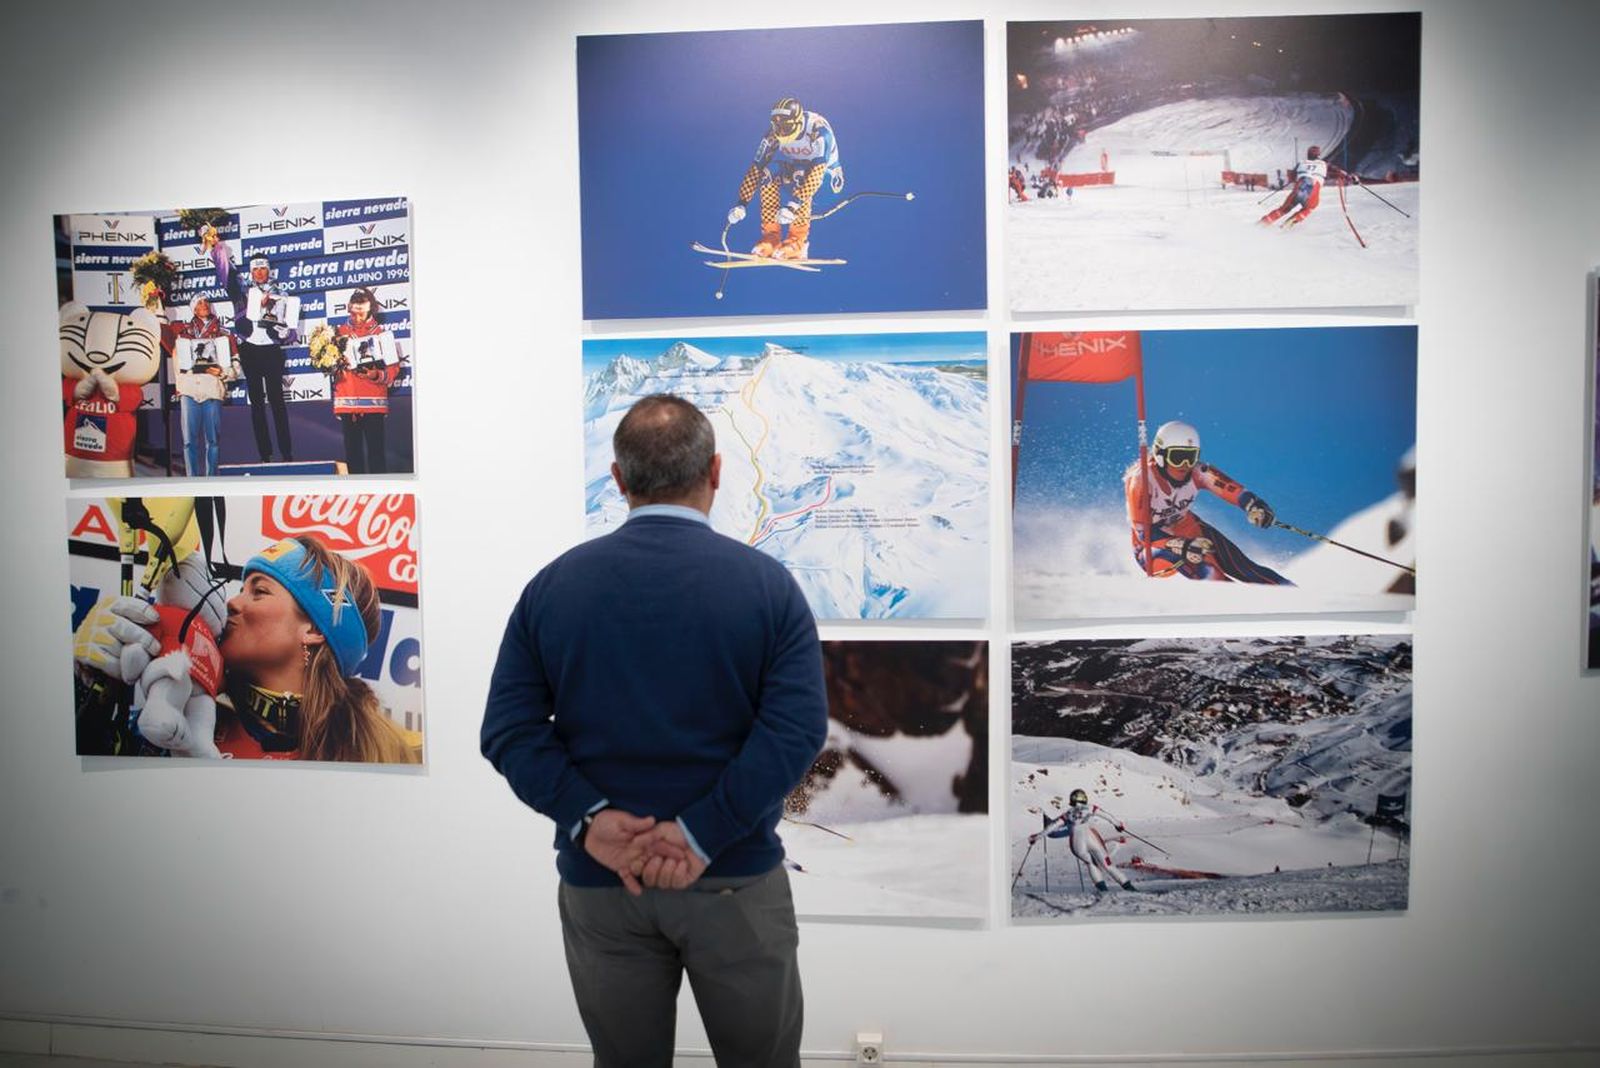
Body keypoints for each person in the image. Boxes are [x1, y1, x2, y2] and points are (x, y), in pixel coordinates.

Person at [482, 393, 828, 1067]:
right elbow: (795, 731)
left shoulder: (552, 588)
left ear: (619, 479)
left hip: (602, 879)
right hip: (733, 879)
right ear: (717, 472)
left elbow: (510, 731)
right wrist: (701, 833)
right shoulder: (767, 586)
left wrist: (592, 819)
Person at [73, 533, 419, 764]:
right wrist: (90, 688)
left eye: (259, 591)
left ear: (313, 628)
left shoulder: (382, 750)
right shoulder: (183, 703)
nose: (231, 604)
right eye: (241, 588)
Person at [1123, 420, 1291, 584]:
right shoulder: (1141, 481)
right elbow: (1145, 534)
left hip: (1186, 527)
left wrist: (1254, 506)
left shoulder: (1198, 472)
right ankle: (1229, 601)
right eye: (1178, 457)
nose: (1185, 465)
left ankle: (1291, 593)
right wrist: (1181, 545)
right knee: (1206, 571)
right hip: (1153, 548)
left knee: (1244, 568)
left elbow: (1233, 491)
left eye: (1191, 457)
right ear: (1160, 455)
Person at [205, 226, 297, 462]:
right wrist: (216, 246)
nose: (258, 273)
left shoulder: (281, 294)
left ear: (269, 272)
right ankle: (264, 455)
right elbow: (225, 271)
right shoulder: (240, 291)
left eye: (262, 269)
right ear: (251, 272)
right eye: (255, 269)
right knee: (256, 404)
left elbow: (289, 329)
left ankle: (286, 453)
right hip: (249, 350)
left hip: (272, 350)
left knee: (278, 403)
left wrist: (285, 329)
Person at [725, 96, 841, 261]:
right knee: (768, 172)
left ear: (798, 123)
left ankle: (798, 241)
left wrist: (793, 206)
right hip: (798, 177)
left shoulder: (818, 130)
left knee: (801, 173)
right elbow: (756, 168)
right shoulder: (774, 135)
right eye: (777, 127)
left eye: (786, 127)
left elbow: (817, 172)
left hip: (827, 181)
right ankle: (771, 237)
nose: (781, 133)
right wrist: (741, 204)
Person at [332, 288, 398, 474]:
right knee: (353, 458)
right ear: (348, 308)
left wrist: (376, 375)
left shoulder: (381, 334)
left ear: (371, 309)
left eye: (362, 309)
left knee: (377, 456)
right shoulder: (338, 333)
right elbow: (328, 366)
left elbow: (393, 370)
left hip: (373, 403)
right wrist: (333, 364)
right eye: (354, 309)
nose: (357, 314)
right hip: (348, 403)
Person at [171, 295, 235, 477]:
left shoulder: (224, 334)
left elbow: (235, 367)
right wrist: (180, 386)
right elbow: (177, 364)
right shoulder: (183, 333)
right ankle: (192, 480)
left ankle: (211, 479)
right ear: (193, 309)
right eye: (199, 303)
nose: (204, 305)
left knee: (213, 440)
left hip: (212, 389)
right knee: (188, 441)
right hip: (189, 390)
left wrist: (222, 373)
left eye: (206, 302)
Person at [1033, 788, 1138, 893]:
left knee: (1091, 864)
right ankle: (1129, 887)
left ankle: (1103, 891)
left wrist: (1036, 837)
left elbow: (1051, 827)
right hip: (1091, 838)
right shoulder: (1091, 807)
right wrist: (1118, 825)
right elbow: (1108, 817)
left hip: (1076, 843)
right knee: (1108, 865)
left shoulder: (1067, 814)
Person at [1259, 145, 1353, 228]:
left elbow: (1292, 176)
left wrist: (1295, 178)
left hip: (1298, 189)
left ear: (1308, 154)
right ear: (1318, 155)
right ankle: (1291, 222)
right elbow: (1341, 172)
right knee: (1309, 208)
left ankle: (1262, 224)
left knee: (1284, 209)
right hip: (1312, 192)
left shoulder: (1301, 162)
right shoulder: (1324, 164)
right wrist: (1350, 178)